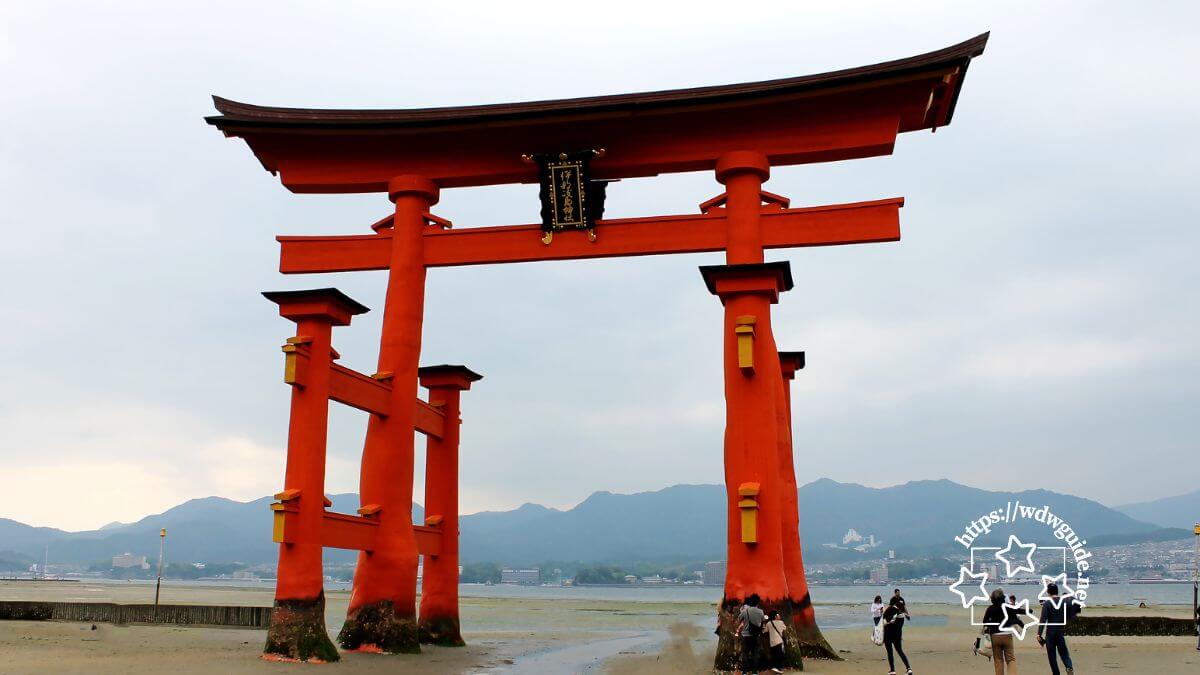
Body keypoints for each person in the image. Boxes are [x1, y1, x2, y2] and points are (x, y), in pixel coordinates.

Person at [976, 588, 1019, 675]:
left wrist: (978, 640)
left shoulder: (990, 609)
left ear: (992, 599)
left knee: (998, 660)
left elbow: (984, 623)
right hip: (1007, 636)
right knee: (1010, 659)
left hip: (995, 637)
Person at [1037, 583, 1076, 675]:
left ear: (1048, 592)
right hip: (1060, 631)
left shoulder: (1047, 603)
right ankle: (1069, 666)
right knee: (1064, 653)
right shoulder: (1064, 602)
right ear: (1057, 591)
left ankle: (1056, 673)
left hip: (1050, 633)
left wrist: (1039, 634)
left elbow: (1043, 619)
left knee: (1052, 656)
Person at [881, 594, 912, 675]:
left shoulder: (890, 609)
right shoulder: (901, 615)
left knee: (890, 652)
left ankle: (892, 670)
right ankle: (908, 668)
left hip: (888, 635)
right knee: (900, 651)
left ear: (893, 603)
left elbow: (883, 621)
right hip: (898, 635)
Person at [737, 594, 765, 674]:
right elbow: (762, 620)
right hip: (755, 635)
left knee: (745, 653)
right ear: (758, 602)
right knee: (755, 653)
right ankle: (754, 671)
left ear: (750, 602)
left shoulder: (745, 611)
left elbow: (739, 618)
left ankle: (744, 672)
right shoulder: (760, 611)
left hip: (745, 635)